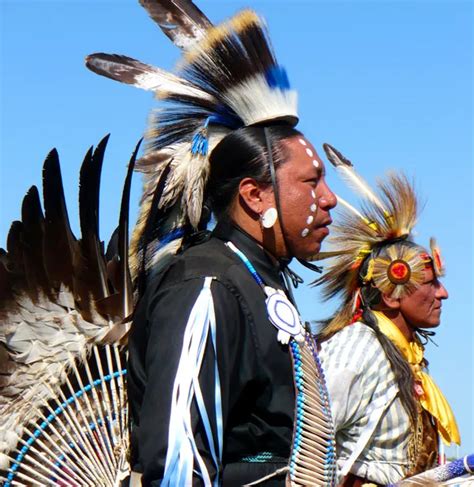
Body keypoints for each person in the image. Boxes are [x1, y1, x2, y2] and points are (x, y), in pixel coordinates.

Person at [86, 5, 337, 486]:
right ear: (254, 194)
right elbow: (179, 463)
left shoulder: (256, 280)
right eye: (311, 182)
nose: (328, 200)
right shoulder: (206, 285)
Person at [316, 144, 460, 486]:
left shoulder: (408, 359)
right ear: (392, 295)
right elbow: (306, 446)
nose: (444, 293)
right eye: (431, 283)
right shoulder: (356, 349)